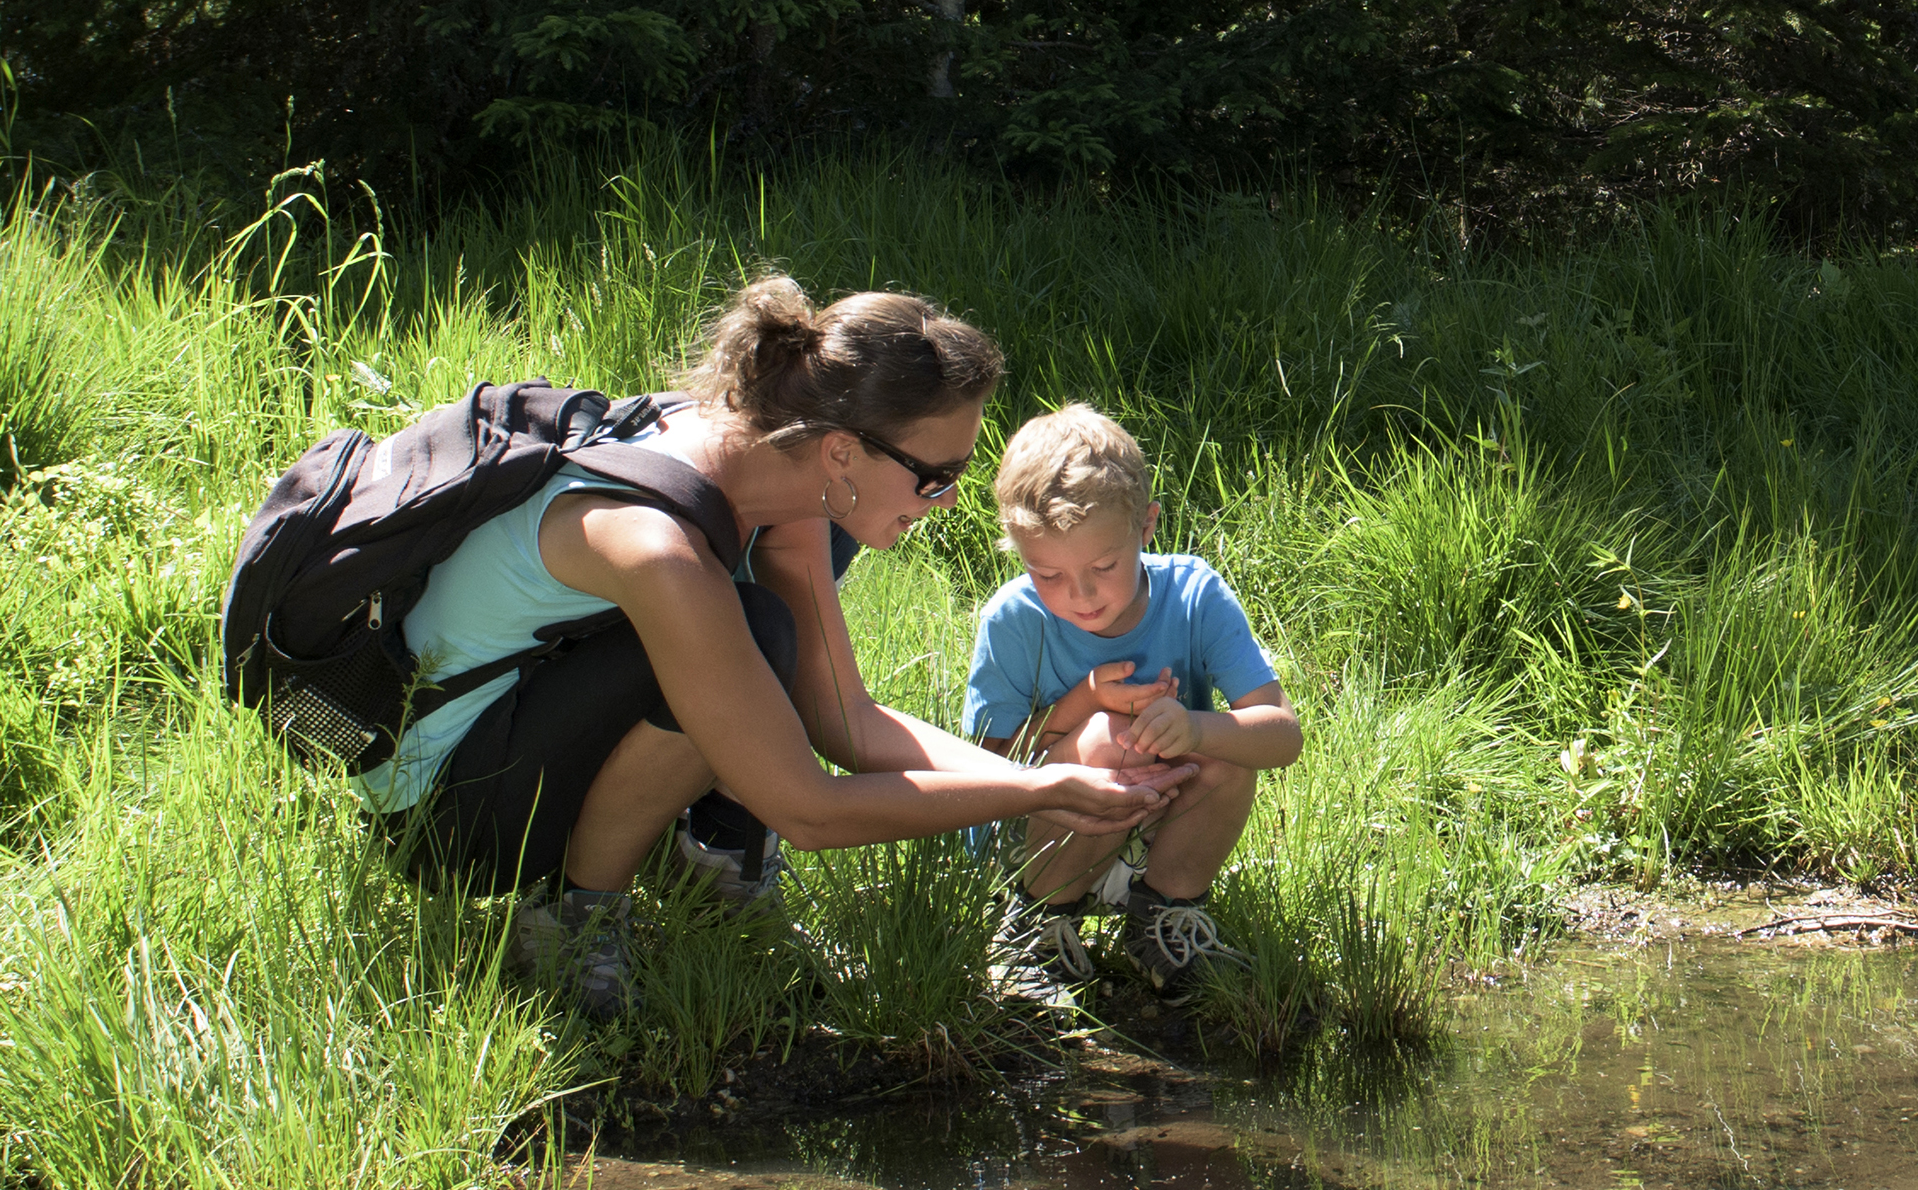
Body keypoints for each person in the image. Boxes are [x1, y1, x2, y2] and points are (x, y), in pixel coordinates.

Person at [350, 273, 1181, 1017]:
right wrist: (1034, 796)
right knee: (755, 626)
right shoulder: (656, 544)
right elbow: (808, 807)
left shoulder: (778, 473)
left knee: (768, 614)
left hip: (535, 722)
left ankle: (708, 865)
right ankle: (571, 919)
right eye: (936, 476)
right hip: (453, 810)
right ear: (843, 450)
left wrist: (1041, 777)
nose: (949, 500)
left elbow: (844, 720)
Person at [962, 401, 1301, 1003]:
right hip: (1035, 842)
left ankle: (1164, 922)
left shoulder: (1195, 594)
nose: (1081, 594)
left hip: (1155, 828)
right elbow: (984, 766)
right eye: (1048, 574)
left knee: (1227, 751)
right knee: (1103, 737)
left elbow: (1281, 735)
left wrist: (1197, 729)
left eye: (1103, 565)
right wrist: (1081, 705)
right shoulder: (1013, 620)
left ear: (1146, 526)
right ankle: (1034, 929)